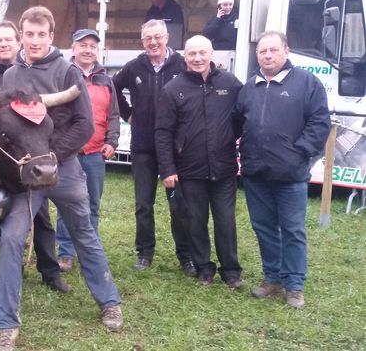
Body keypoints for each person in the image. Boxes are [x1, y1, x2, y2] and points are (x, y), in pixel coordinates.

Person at [0, 6, 122, 351]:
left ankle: (110, 302)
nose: (35, 41)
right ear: (21, 36)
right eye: (29, 34)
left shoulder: (67, 71)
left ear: (52, 37)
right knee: (11, 237)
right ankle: (6, 324)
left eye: (41, 35)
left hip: (63, 169)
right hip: (26, 178)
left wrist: (52, 158)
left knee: (84, 234)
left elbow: (85, 125)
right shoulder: (10, 76)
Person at [234, 31, 330, 309]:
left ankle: (295, 285)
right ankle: (272, 277)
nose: (267, 55)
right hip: (255, 173)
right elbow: (237, 121)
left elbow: (319, 122)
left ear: (286, 51)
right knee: (263, 228)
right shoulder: (249, 87)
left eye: (273, 50)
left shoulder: (307, 83)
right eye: (262, 51)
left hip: (290, 175)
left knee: (292, 230)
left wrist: (299, 151)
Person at [0, 20, 71, 293]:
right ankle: (12, 264)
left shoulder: (24, 74)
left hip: (26, 158)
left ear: (17, 41)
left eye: (8, 39)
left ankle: (50, 271)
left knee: (41, 216)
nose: (3, 44)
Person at [155, 35, 243, 287]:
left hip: (224, 168)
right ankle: (204, 268)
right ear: (185, 57)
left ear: (211, 53)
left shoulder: (230, 83)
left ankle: (231, 271)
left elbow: (239, 119)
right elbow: (163, 132)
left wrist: (226, 139)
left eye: (202, 53)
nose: (197, 58)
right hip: (189, 170)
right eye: (192, 54)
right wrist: (167, 169)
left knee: (226, 221)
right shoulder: (173, 89)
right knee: (195, 221)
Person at [112, 19, 195, 276]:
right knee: (143, 204)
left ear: (167, 37)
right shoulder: (134, 66)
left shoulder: (182, 65)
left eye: (158, 37)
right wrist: (128, 114)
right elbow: (112, 88)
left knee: (178, 204)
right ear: (142, 41)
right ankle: (144, 252)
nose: (153, 42)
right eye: (148, 38)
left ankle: (186, 255)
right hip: (143, 147)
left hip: (175, 149)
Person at [54, 29, 120, 273]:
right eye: (83, 45)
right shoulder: (62, 75)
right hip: (68, 155)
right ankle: (65, 253)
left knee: (92, 204)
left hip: (94, 155)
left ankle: (88, 251)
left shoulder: (106, 79)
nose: (88, 49)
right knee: (66, 204)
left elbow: (113, 114)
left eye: (93, 46)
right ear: (73, 48)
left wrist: (112, 140)